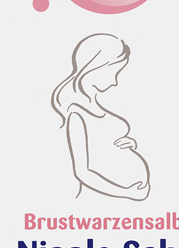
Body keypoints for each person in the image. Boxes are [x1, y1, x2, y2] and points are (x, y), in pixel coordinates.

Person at [51, 33, 151, 200]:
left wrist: (130, 144)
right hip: (103, 198)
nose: (114, 81)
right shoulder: (76, 115)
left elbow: (103, 144)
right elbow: (82, 172)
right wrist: (127, 193)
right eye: (113, 72)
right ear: (94, 67)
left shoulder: (96, 107)